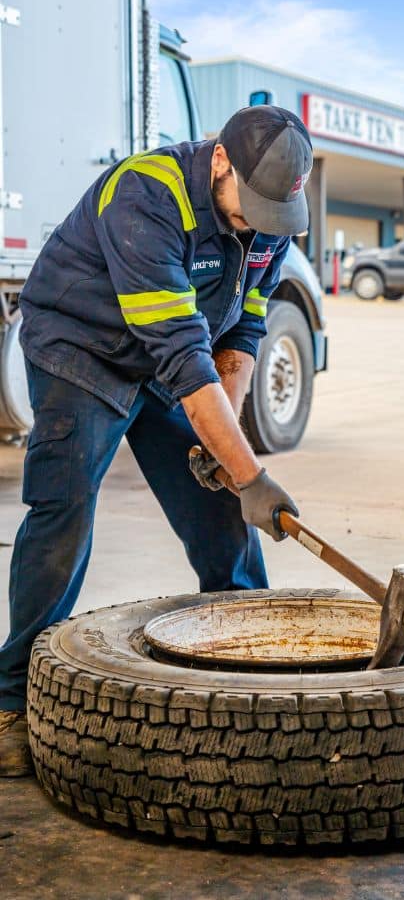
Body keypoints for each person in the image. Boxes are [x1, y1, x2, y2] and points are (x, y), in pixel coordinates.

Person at [0, 105, 313, 775]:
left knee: (222, 509)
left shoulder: (271, 221)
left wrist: (225, 459)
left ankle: (248, 672)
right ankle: (8, 703)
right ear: (221, 161)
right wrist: (253, 476)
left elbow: (240, 335)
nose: (257, 224)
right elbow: (181, 354)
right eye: (249, 206)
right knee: (65, 510)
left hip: (173, 360)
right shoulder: (147, 193)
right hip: (82, 350)